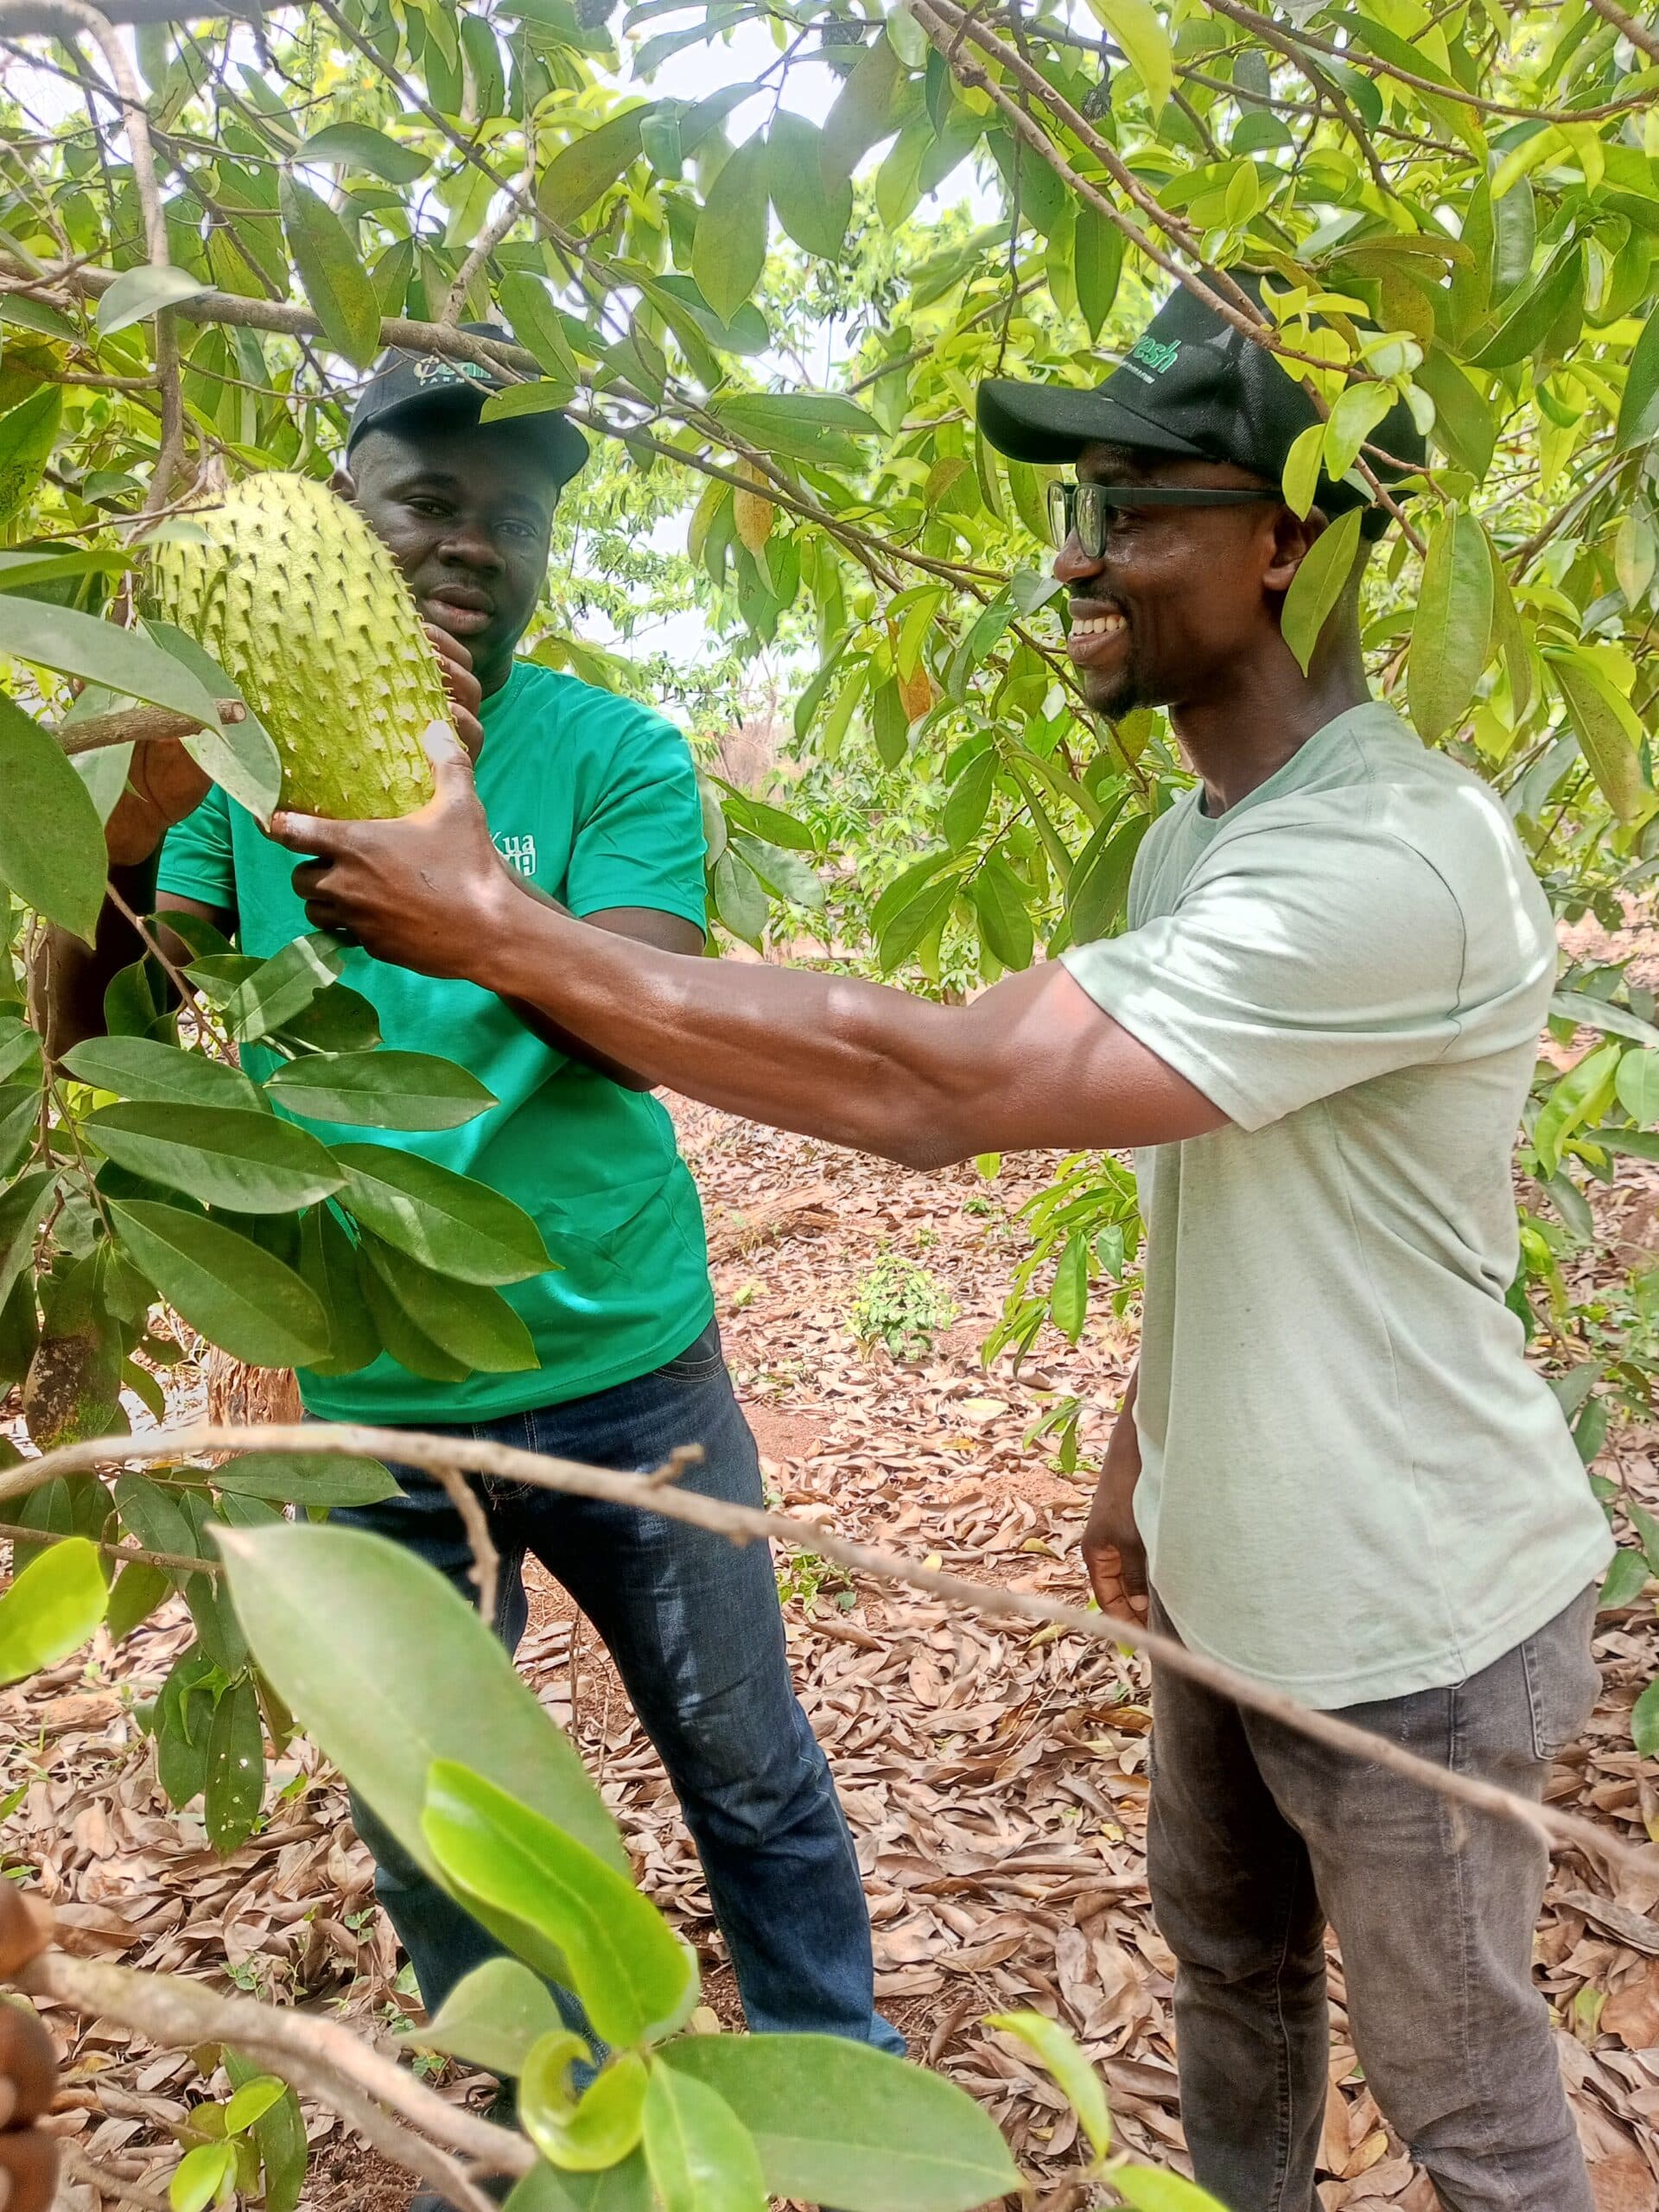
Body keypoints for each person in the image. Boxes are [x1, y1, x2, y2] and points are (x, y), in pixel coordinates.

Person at [271, 279, 1616, 2212]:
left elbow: (948, 1086)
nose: (1082, 554)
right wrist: (1147, 1453)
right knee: (1235, 1988)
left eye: (1141, 504)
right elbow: (1230, 1202)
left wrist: (491, 916)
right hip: (1239, 1589)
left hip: (1411, 1620)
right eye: (1080, 503)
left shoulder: (1391, 857)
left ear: (1292, 543)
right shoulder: (1204, 839)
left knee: (1474, 2121)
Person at [45, 329, 902, 2118]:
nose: (466, 544)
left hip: (623, 1355)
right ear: (343, 516)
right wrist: (120, 840)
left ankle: (839, 2068)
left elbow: (652, 1013)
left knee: (747, 1761)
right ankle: (529, 2122)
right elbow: (100, 1039)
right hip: (369, 1382)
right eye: (426, 501)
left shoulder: (610, 752)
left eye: (506, 516)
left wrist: (470, 894)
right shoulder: (221, 771)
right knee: (434, 1815)